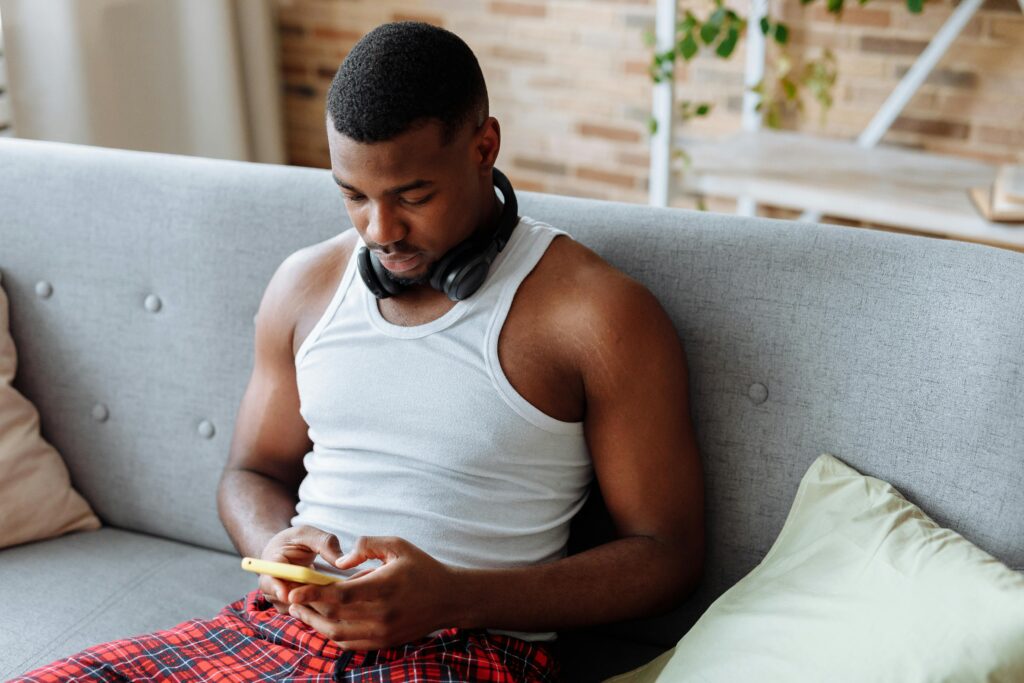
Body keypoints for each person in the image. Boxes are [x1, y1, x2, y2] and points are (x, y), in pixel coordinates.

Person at [15, 21, 704, 683]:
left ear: (484, 146)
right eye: (353, 196)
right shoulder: (305, 283)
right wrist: (275, 550)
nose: (381, 230)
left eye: (413, 195)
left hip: (464, 651)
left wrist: (456, 596)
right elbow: (250, 472)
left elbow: (667, 557)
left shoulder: (597, 314)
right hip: (272, 631)